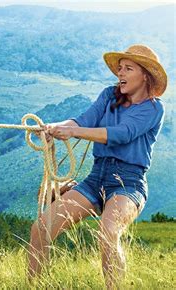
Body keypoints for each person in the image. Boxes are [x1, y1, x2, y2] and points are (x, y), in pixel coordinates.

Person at [27, 44, 167, 288]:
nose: (120, 74)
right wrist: (55, 126)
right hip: (96, 177)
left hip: (129, 182)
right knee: (41, 229)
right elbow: (83, 120)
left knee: (109, 231)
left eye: (128, 69)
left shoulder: (154, 108)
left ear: (145, 75)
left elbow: (122, 134)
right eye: (120, 68)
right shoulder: (108, 95)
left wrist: (72, 131)